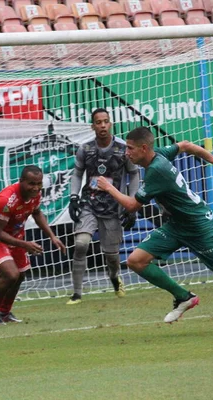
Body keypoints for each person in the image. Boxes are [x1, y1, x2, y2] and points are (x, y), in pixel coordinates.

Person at [96, 126, 213, 329]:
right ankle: (183, 297)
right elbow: (186, 145)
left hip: (199, 227)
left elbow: (133, 205)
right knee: (136, 261)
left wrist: (109, 188)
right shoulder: (159, 154)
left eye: (130, 148)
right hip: (177, 225)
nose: (127, 153)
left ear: (144, 148)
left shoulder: (156, 171)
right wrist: (211, 158)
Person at [67, 108, 161, 305]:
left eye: (106, 121)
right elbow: (77, 174)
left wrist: (132, 203)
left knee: (111, 256)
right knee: (81, 244)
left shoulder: (122, 149)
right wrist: (73, 197)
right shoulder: (85, 149)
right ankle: (76, 293)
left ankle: (115, 279)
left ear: (111, 124)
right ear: (92, 126)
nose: (102, 125)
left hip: (113, 207)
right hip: (89, 204)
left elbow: (134, 174)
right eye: (98, 122)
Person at [0, 165, 66, 325]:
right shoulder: (6, 201)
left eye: (39, 183)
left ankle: (4, 312)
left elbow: (37, 212)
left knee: (20, 275)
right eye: (31, 184)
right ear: (21, 181)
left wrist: (52, 236)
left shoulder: (36, 194)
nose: (36, 188)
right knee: (11, 274)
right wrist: (25, 244)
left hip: (16, 238)